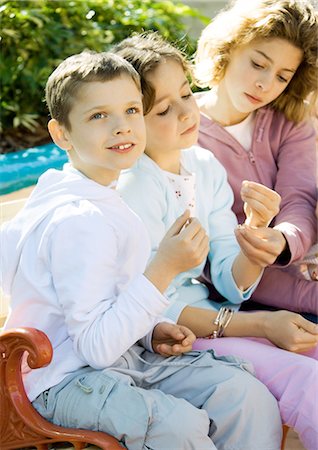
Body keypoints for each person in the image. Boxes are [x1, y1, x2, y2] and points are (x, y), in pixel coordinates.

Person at [0, 51, 283, 450]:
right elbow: (95, 347)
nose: (122, 127)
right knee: (181, 427)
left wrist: (151, 332)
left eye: (132, 110)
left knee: (242, 394)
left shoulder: (94, 193)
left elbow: (104, 303)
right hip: (63, 380)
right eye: (99, 116)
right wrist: (164, 268)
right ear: (61, 134)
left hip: (121, 360)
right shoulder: (78, 218)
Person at [113, 32, 318, 449]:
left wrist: (255, 233)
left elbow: (229, 282)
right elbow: (154, 308)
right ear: (131, 120)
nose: (188, 112)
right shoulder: (133, 187)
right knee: (306, 380)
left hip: (221, 320)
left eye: (187, 95)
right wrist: (262, 323)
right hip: (179, 340)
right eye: (165, 109)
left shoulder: (202, 164)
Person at [193, 0, 318, 316]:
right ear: (230, 48)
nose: (265, 85)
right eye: (258, 64)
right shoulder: (180, 128)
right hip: (235, 277)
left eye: (282, 76)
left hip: (298, 254)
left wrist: (284, 240)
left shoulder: (291, 121)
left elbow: (299, 197)